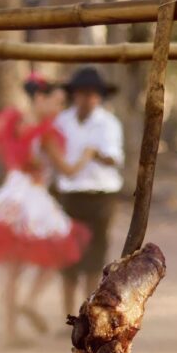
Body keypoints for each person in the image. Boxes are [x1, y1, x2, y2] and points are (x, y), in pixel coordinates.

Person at [0, 73, 94, 346]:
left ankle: (10, 331)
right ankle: (29, 301)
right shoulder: (46, 133)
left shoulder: (11, 125)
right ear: (40, 98)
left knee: (12, 269)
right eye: (57, 102)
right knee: (59, 250)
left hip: (10, 194)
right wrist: (87, 156)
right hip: (33, 197)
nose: (60, 109)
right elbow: (67, 170)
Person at [54, 67, 125, 320]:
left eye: (93, 94)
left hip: (100, 195)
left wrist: (95, 154)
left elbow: (115, 158)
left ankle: (89, 315)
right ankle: (67, 315)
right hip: (70, 195)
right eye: (83, 93)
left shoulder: (109, 123)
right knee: (68, 258)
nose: (88, 99)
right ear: (75, 95)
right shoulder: (61, 122)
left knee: (95, 259)